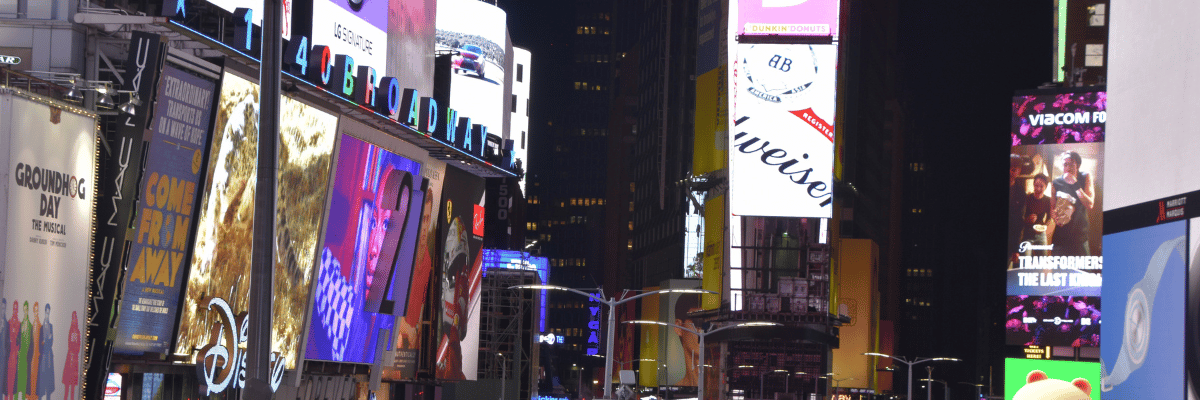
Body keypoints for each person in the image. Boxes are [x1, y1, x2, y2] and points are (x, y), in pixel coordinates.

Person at [1052, 151, 1095, 256]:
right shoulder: (1056, 182)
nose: (1068, 167)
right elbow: (1052, 209)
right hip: (1060, 237)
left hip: (1079, 237)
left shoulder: (1085, 177)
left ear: (1078, 165)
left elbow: (1090, 204)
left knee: (1083, 271)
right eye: (1065, 164)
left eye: (1071, 164)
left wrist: (1074, 183)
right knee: (1058, 271)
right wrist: (1055, 218)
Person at [1022, 174, 1054, 256]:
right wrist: (1027, 219)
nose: (1038, 189)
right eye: (1036, 185)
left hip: (1041, 234)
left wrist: (1044, 227)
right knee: (1026, 262)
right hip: (1027, 234)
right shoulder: (1027, 198)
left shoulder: (1048, 200)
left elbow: (1049, 218)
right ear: (1033, 185)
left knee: (1042, 262)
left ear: (1045, 187)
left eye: (1041, 186)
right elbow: (1020, 216)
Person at [62, 312, 79, 400]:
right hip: (70, 358)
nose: (73, 320)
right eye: (73, 318)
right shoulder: (70, 330)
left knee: (72, 383)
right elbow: (69, 343)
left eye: (74, 318)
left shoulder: (78, 331)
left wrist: (74, 351)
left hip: (74, 359)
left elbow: (78, 345)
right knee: (67, 381)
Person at [36, 305, 51, 400]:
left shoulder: (51, 326)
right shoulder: (41, 328)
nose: (47, 315)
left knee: (48, 383)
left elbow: (51, 341)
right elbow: (39, 342)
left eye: (48, 313)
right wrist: (46, 340)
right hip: (42, 358)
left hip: (48, 358)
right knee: (41, 382)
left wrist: (47, 341)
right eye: (46, 313)